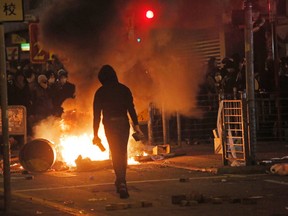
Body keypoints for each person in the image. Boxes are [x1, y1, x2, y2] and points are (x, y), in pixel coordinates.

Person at [92, 65, 144, 199]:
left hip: (109, 124)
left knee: (115, 152)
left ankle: (121, 181)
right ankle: (121, 180)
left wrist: (95, 134)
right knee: (122, 151)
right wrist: (136, 126)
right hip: (123, 123)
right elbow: (131, 110)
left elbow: (96, 115)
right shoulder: (124, 89)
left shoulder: (100, 92)